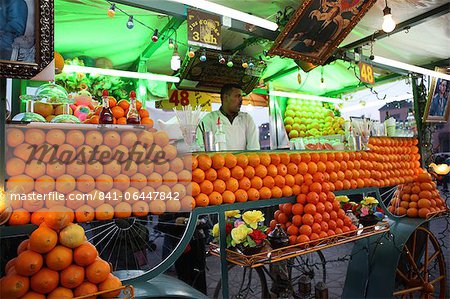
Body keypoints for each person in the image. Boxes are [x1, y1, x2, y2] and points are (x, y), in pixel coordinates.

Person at [197, 83, 260, 150]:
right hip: (217, 160)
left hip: (243, 160)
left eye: (241, 97)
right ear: (226, 97)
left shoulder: (247, 119)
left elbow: (254, 148)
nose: (241, 100)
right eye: (237, 96)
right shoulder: (208, 120)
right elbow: (201, 149)